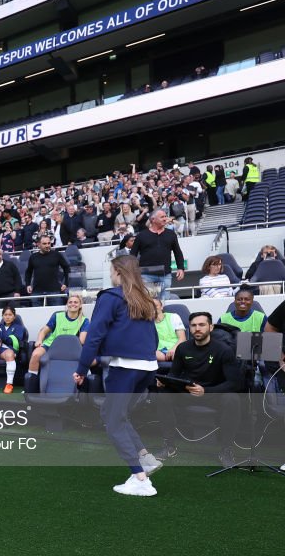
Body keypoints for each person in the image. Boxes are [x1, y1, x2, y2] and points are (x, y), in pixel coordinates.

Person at [73, 256, 164, 497]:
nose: (110, 275)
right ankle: (146, 459)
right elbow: (153, 339)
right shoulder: (143, 300)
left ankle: (140, 478)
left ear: (118, 272)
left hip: (125, 369)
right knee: (115, 414)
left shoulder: (110, 296)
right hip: (147, 369)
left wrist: (82, 369)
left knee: (113, 421)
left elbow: (94, 335)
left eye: (112, 271)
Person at [154, 312, 242, 467]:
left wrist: (206, 391)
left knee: (232, 398)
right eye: (194, 325)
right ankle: (169, 446)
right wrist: (166, 382)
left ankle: (226, 450)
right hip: (189, 391)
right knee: (163, 395)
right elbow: (174, 375)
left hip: (213, 393)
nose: (197, 329)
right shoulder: (183, 348)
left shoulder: (223, 350)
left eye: (202, 325)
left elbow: (235, 383)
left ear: (211, 327)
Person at [25, 294, 89, 393]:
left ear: (80, 305)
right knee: (35, 354)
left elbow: (82, 341)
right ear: (67, 304)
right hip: (50, 345)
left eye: (76, 302)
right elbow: (44, 331)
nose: (73, 304)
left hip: (70, 350)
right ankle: (32, 387)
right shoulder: (57, 316)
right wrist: (39, 340)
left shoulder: (84, 321)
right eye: (70, 302)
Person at [130, 210, 184, 299]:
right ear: (153, 219)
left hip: (165, 274)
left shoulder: (171, 234)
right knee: (150, 303)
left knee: (164, 302)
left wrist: (181, 268)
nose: (165, 219)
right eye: (162, 217)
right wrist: (132, 271)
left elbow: (177, 252)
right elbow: (132, 255)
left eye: (165, 216)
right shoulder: (141, 235)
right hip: (147, 275)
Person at [0, 305, 25, 394]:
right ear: (2, 316)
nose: (7, 317)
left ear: (14, 316)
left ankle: (9, 384)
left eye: (10, 315)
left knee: (9, 353)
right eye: (5, 315)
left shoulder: (19, 328)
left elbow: (12, 342)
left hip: (10, 350)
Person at [24, 235, 70, 306]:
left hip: (54, 291)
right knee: (37, 315)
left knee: (56, 314)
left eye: (49, 243)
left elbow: (66, 268)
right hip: (37, 292)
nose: (47, 245)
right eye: (44, 244)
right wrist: (28, 284)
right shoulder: (33, 257)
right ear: (38, 244)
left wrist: (66, 283)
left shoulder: (57, 255)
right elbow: (28, 272)